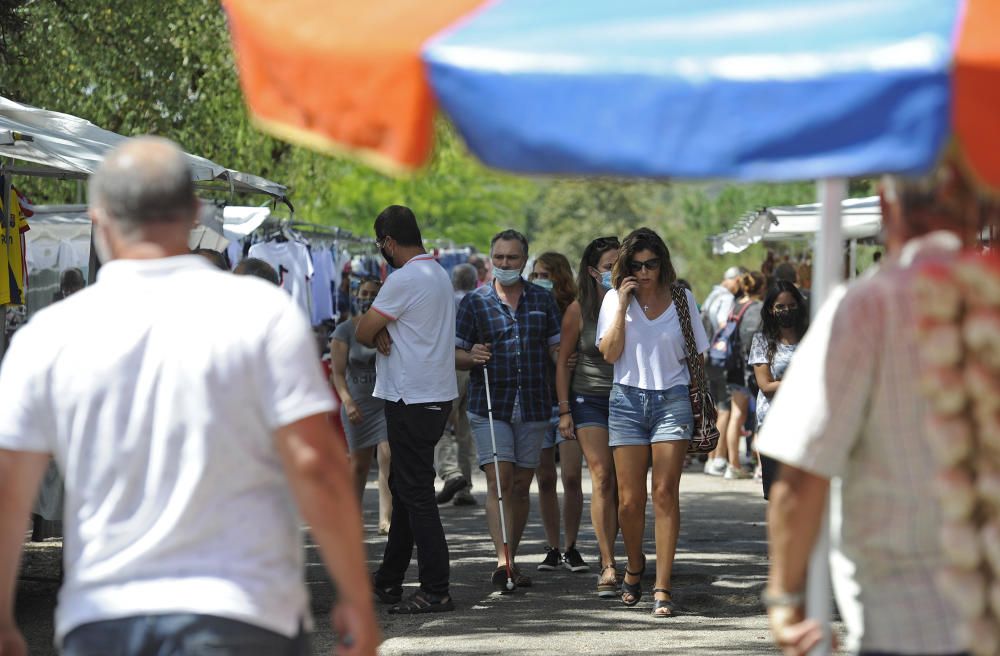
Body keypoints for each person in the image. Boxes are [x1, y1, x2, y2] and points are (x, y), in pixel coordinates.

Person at [0, 136, 377, 656]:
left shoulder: (48, 335)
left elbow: (9, 489)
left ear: (99, 217)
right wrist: (356, 597)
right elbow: (316, 463)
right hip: (245, 613)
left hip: (105, 619)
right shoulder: (261, 315)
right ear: (194, 213)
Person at [759, 164, 980, 656]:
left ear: (886, 205)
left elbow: (800, 473)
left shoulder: (867, 306)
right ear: (978, 208)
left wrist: (785, 598)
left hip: (910, 620)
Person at [597, 227, 708, 617]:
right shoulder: (614, 299)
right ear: (626, 267)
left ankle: (662, 585)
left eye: (651, 264)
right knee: (628, 501)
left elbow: (699, 356)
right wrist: (624, 302)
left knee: (664, 492)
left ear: (663, 263)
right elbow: (609, 354)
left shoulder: (683, 298)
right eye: (636, 265)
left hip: (672, 400)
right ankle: (634, 563)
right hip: (626, 400)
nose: (644, 272)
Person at [358, 205, 458, 614]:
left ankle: (436, 588)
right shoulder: (437, 273)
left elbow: (364, 330)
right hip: (433, 395)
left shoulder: (403, 278)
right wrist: (385, 329)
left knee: (415, 493)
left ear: (389, 242)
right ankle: (389, 579)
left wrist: (379, 328)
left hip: (411, 397)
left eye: (380, 244)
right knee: (405, 487)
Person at [455, 229, 561, 591]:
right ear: (490, 259)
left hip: (533, 405)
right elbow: (454, 353)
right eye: (499, 257)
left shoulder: (542, 301)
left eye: (512, 258)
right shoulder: (474, 301)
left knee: (520, 485)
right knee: (499, 482)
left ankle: (511, 558)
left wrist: (566, 358)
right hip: (490, 405)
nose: (504, 264)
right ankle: (502, 561)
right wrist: (471, 356)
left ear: (524, 260)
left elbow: (555, 349)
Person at [556, 236, 621, 597]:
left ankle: (627, 557)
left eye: (619, 264)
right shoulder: (578, 311)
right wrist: (564, 410)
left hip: (627, 399)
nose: (616, 272)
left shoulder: (634, 305)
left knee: (625, 486)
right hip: (589, 400)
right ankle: (607, 562)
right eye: (609, 266)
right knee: (602, 477)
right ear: (593, 271)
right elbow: (563, 363)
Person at [529, 252, 589, 574]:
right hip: (539, 401)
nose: (540, 280)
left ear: (560, 276)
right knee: (545, 477)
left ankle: (571, 546)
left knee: (571, 476)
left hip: (569, 402)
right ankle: (552, 547)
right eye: (536, 274)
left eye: (546, 274)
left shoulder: (573, 309)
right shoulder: (530, 307)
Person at [331, 278, 392, 534]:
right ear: (356, 296)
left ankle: (386, 518)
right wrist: (347, 401)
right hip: (357, 403)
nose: (367, 297)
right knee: (359, 465)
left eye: (373, 293)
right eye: (364, 293)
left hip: (385, 402)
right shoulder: (345, 330)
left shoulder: (390, 327)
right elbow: (337, 373)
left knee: (388, 457)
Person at [747, 281, 808, 499]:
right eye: (780, 307)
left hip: (807, 424)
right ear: (771, 309)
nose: (786, 311)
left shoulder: (811, 337)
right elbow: (766, 386)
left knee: (804, 493)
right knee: (777, 494)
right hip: (773, 425)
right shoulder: (762, 341)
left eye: (791, 305)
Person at [435, 263, 479, 507]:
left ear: (453, 281)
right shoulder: (479, 300)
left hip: (450, 366)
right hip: (474, 366)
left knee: (439, 424)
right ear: (474, 281)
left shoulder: (446, 301)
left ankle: (452, 473)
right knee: (465, 430)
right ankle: (465, 488)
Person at [720, 271, 766, 480]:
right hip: (751, 368)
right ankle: (760, 466)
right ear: (761, 288)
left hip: (733, 367)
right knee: (759, 417)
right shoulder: (757, 309)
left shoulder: (736, 305)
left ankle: (733, 464)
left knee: (736, 416)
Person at [702, 266, 745, 477]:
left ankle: (711, 459)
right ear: (736, 280)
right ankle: (719, 459)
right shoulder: (727, 298)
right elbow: (723, 325)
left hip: (708, 358)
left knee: (715, 408)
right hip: (720, 359)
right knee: (724, 408)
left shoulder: (712, 294)